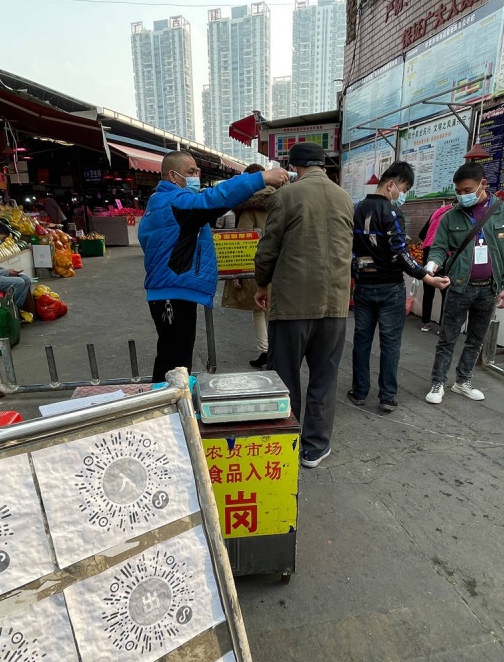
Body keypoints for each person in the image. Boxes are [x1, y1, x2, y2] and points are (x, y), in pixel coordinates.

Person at [141, 151, 289, 383]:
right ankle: (168, 402)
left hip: (169, 290)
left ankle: (170, 399)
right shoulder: (175, 202)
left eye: (197, 171)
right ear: (173, 176)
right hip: (173, 292)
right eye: (191, 172)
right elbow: (215, 198)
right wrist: (261, 178)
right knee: (174, 364)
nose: (196, 176)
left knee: (173, 357)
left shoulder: (158, 202)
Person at [253, 142, 354, 468]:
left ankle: (287, 440)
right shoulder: (344, 198)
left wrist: (261, 283)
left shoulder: (285, 196)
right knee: (324, 377)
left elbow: (268, 249)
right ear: (323, 164)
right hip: (334, 305)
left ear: (294, 166)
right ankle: (315, 447)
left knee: (283, 377)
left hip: (292, 304)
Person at [348, 161, 450, 413]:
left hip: (363, 286)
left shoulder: (357, 208)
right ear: (391, 185)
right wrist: (427, 277)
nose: (402, 195)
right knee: (390, 343)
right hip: (390, 287)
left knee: (362, 340)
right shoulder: (392, 213)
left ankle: (359, 392)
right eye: (403, 189)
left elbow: (349, 247)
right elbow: (399, 254)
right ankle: (387, 396)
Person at [424, 162, 504, 403]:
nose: (462, 195)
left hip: (489, 288)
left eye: (467, 190)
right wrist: (432, 265)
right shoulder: (451, 216)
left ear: (482, 184)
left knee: (476, 339)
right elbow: (439, 247)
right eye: (458, 191)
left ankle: (463, 381)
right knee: (447, 338)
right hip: (458, 286)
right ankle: (437, 383)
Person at [219, 163, 273, 367]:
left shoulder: (248, 207)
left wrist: (238, 276)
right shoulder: (282, 200)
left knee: (258, 309)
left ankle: (265, 350)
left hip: (258, 266)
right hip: (282, 265)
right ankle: (277, 349)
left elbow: (244, 242)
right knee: (275, 310)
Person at [417, 201, 455, 332]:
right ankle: (442, 326)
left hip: (428, 251)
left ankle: (425, 323)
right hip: (445, 253)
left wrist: (431, 241)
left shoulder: (437, 212)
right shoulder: (456, 215)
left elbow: (421, 234)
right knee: (445, 290)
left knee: (428, 289)